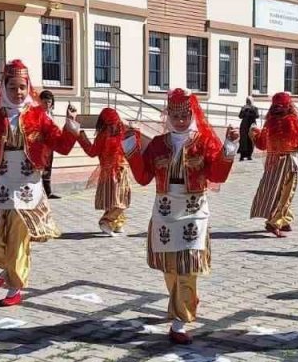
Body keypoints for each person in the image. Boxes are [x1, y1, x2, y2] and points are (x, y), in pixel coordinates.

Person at [0, 60, 80, 306]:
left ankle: (15, 287)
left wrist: (71, 124)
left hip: (26, 183)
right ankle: (7, 269)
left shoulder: (39, 116)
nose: (18, 92)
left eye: (22, 87)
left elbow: (62, 146)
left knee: (19, 237)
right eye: (12, 87)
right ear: (4, 89)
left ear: (28, 87)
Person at [126, 88, 239, 345]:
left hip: (193, 211)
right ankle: (185, 298)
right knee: (170, 267)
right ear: (168, 116)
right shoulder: (158, 144)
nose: (180, 121)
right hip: (165, 211)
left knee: (187, 265)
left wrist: (230, 146)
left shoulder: (204, 142)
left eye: (184, 116)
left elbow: (217, 175)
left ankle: (179, 321)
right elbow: (143, 177)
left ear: (192, 114)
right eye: (175, 116)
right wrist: (130, 147)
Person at [249, 92, 298, 237]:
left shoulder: (270, 122)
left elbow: (261, 144)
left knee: (273, 190)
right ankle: (274, 222)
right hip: (288, 161)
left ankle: (285, 220)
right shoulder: (292, 120)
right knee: (286, 192)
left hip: (271, 162)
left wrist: (254, 132)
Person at [76, 107, 137, 236]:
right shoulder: (103, 136)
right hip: (110, 173)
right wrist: (80, 135)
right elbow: (92, 151)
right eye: (110, 124)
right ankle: (106, 221)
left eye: (115, 123)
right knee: (119, 200)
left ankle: (117, 222)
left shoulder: (123, 132)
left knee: (121, 198)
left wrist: (133, 129)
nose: (114, 126)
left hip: (122, 171)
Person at [37, 90, 63, 199]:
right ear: (40, 102)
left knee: (48, 168)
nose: (47, 104)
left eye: (49, 102)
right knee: (40, 168)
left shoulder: (50, 114)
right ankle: (38, 192)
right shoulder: (37, 114)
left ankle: (48, 192)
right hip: (40, 146)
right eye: (45, 102)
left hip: (49, 145)